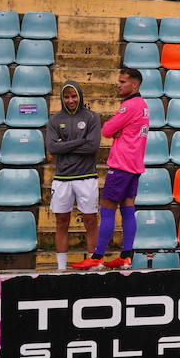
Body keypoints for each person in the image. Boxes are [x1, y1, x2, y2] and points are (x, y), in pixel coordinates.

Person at [72, 68, 149, 271]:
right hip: (134, 166)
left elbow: (106, 130)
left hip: (121, 165)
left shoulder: (129, 106)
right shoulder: (143, 105)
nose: (119, 84)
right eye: (119, 81)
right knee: (128, 208)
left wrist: (117, 131)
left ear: (135, 85)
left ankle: (97, 258)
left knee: (107, 209)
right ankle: (126, 256)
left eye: (123, 82)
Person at [45, 81, 101, 271]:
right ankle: (61, 268)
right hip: (62, 179)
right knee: (61, 222)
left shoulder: (92, 117)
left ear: (80, 96)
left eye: (74, 96)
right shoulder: (54, 120)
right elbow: (53, 148)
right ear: (62, 98)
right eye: (67, 97)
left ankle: (93, 265)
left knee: (91, 220)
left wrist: (65, 145)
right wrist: (80, 141)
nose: (70, 100)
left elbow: (92, 147)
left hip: (87, 177)